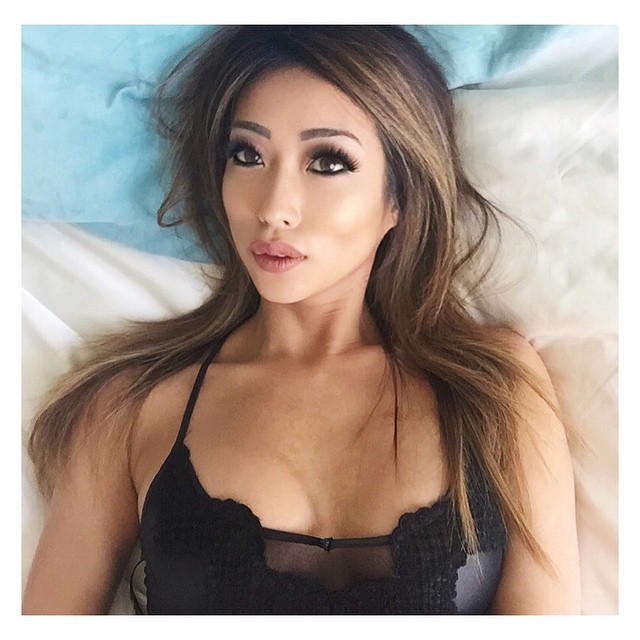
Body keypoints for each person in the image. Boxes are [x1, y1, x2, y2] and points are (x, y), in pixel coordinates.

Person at [22, 25, 580, 614]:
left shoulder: (495, 387)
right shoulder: (132, 407)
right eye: (248, 155)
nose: (273, 207)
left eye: (328, 161)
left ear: (399, 197)